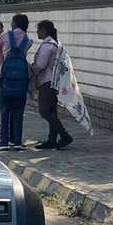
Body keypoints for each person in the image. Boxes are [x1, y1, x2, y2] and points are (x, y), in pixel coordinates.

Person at [0, 13, 32, 150]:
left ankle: (4, 140)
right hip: (21, 78)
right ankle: (17, 141)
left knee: (5, 109)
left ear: (15, 23)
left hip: (6, 76)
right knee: (18, 110)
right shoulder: (28, 40)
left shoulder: (6, 35)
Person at [32, 20, 73, 150]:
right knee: (51, 111)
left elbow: (40, 65)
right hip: (54, 81)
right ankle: (52, 139)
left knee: (44, 111)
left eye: (38, 30)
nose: (37, 32)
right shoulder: (54, 44)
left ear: (44, 30)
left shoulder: (47, 46)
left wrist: (31, 69)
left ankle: (64, 135)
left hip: (47, 81)